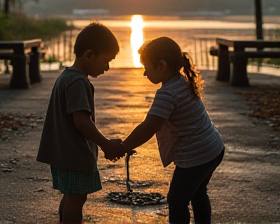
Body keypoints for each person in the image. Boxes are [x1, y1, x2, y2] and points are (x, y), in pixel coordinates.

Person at [121, 36, 225, 224]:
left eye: (146, 67)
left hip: (196, 156)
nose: (144, 73)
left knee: (177, 201)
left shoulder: (167, 93)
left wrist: (123, 146)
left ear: (161, 65)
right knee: (198, 192)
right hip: (213, 149)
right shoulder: (183, 83)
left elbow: (148, 127)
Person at [36, 22, 125, 224]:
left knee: (69, 196)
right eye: (106, 61)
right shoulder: (79, 82)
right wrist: (106, 144)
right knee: (77, 199)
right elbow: (82, 122)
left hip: (62, 153)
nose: (107, 68)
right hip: (74, 154)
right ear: (89, 55)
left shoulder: (65, 77)